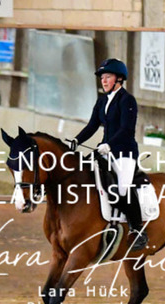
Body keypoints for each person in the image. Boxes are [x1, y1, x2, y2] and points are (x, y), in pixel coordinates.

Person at [66, 58, 148, 252]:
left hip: (124, 153)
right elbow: (92, 125)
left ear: (119, 79)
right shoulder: (102, 100)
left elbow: (126, 129)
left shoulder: (127, 100)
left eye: (108, 77)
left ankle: (138, 230)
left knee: (122, 188)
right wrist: (76, 140)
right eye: (102, 77)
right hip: (104, 151)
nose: (103, 81)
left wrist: (109, 145)